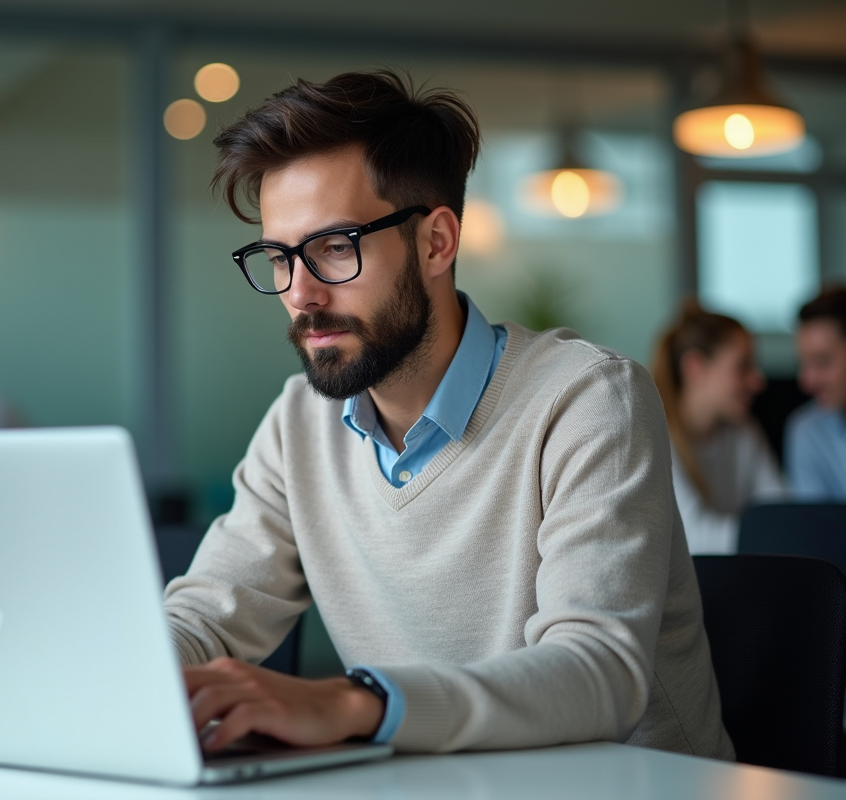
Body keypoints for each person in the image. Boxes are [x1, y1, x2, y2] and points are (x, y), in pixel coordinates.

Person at [164, 71, 732, 760]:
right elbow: (205, 618)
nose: (301, 294)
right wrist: (118, 666)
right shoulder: (298, 427)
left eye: (335, 248)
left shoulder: (587, 399)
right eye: (278, 257)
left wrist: (350, 702)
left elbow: (598, 676)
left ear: (436, 242)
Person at [650, 302, 784, 554]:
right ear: (696, 368)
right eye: (743, 366)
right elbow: (692, 536)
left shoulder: (744, 432)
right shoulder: (655, 438)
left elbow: (779, 508)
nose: (758, 380)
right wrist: (775, 533)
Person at [786, 286, 846, 500]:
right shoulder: (807, 431)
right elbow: (815, 529)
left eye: (822, 362)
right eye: (803, 363)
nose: (807, 382)